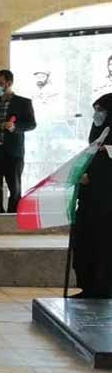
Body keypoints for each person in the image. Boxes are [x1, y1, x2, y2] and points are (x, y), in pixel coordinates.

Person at [0, 70, 37, 214]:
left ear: (9, 83)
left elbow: (31, 124)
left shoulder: (23, 103)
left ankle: (12, 214)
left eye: (0, 83)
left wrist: (14, 127)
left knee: (14, 186)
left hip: (13, 151)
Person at [73, 93, 112, 299]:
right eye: (95, 110)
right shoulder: (98, 134)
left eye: (101, 110)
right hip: (89, 203)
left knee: (103, 246)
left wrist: (94, 178)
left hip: (106, 205)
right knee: (84, 243)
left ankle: (103, 289)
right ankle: (87, 287)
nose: (97, 115)